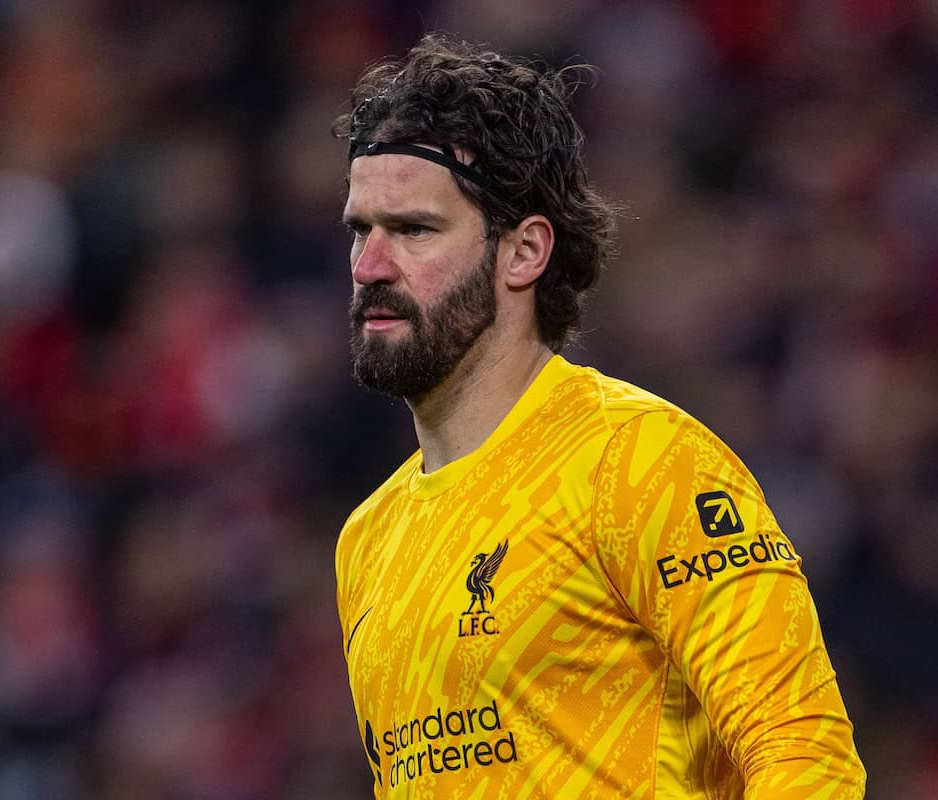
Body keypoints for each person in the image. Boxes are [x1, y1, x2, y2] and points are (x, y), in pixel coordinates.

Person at [332, 32, 866, 799]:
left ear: (524, 253)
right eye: (360, 229)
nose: (369, 266)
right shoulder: (368, 541)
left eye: (414, 229)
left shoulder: (642, 461)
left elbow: (803, 748)